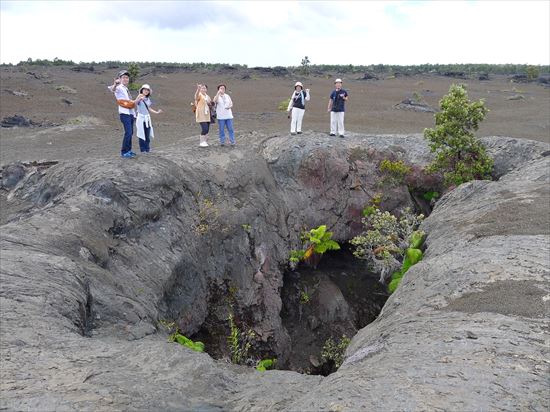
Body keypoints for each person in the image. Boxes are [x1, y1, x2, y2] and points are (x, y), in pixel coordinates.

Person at [108, 70, 137, 158]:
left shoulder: (125, 88)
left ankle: (128, 150)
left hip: (131, 113)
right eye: (123, 77)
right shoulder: (119, 87)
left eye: (127, 77)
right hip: (124, 113)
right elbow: (112, 89)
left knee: (131, 132)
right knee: (128, 132)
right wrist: (115, 84)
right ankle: (124, 152)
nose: (125, 79)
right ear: (119, 79)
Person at [134, 84, 162, 153]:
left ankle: (147, 149)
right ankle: (143, 150)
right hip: (141, 118)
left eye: (147, 90)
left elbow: (148, 108)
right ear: (142, 90)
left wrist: (156, 112)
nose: (146, 91)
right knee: (141, 134)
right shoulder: (140, 96)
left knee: (147, 134)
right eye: (145, 89)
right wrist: (139, 98)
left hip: (147, 118)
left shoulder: (148, 99)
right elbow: (135, 103)